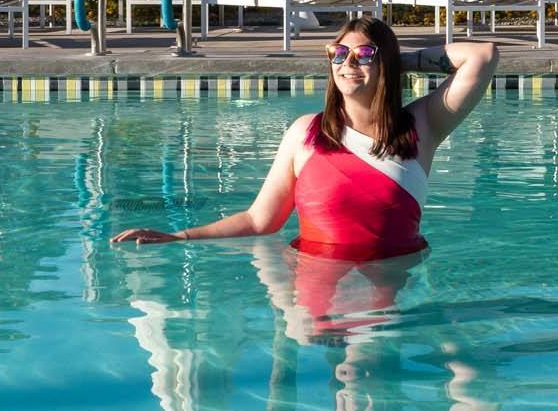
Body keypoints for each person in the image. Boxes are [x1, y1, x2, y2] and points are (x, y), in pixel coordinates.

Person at [111, 17, 498, 259]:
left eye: (363, 54)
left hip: (393, 272)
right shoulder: (306, 133)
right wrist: (178, 236)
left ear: (385, 64)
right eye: (338, 53)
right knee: (319, 350)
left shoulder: (420, 125)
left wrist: (400, 58)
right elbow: (261, 219)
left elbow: (483, 56)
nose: (347, 63)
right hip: (316, 274)